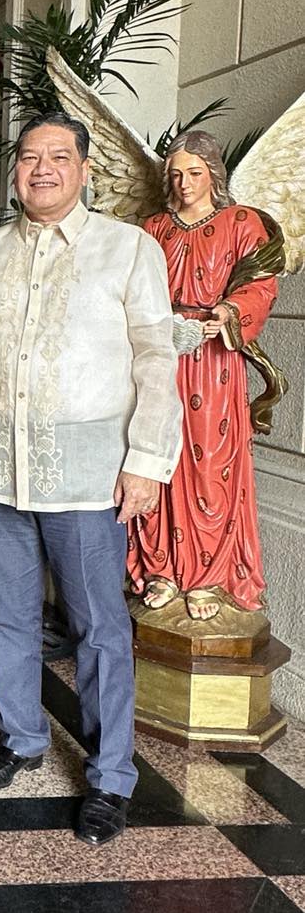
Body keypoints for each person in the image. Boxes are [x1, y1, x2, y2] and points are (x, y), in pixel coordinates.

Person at [0, 113, 181, 845]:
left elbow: (157, 357)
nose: (43, 169)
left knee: (99, 628)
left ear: (86, 170)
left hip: (90, 476)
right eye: (30, 157)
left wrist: (148, 462)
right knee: (7, 617)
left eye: (60, 157)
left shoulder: (127, 249)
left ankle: (111, 775)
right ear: (15, 170)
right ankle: (23, 741)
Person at [126, 131, 281, 621]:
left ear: (213, 174)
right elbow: (132, 287)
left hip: (214, 362)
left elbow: (261, 282)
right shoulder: (153, 227)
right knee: (158, 457)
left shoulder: (241, 223)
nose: (184, 182)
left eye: (194, 172)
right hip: (158, 355)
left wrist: (231, 310)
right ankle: (164, 569)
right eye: (175, 173)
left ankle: (209, 576)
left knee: (211, 464)